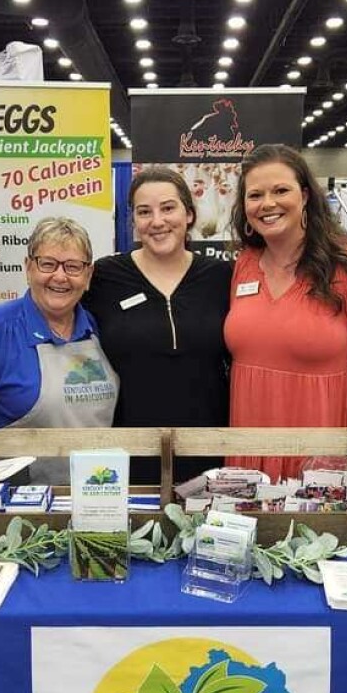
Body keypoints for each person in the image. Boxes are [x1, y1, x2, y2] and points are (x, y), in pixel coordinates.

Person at [225, 144, 347, 481]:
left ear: (304, 196)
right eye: (255, 195)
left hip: (322, 448)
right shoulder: (244, 265)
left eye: (281, 190)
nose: (268, 204)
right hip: (250, 441)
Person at [85, 165, 233, 480]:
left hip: (208, 446)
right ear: (134, 222)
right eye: (144, 212)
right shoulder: (105, 277)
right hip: (130, 449)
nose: (157, 221)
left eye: (168, 208)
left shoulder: (220, 278)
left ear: (189, 214)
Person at [0, 217, 118, 477]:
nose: (60, 277)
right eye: (47, 264)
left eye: (73, 267)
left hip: (96, 490)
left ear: (88, 275)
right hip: (16, 501)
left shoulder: (97, 327)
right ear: (28, 268)